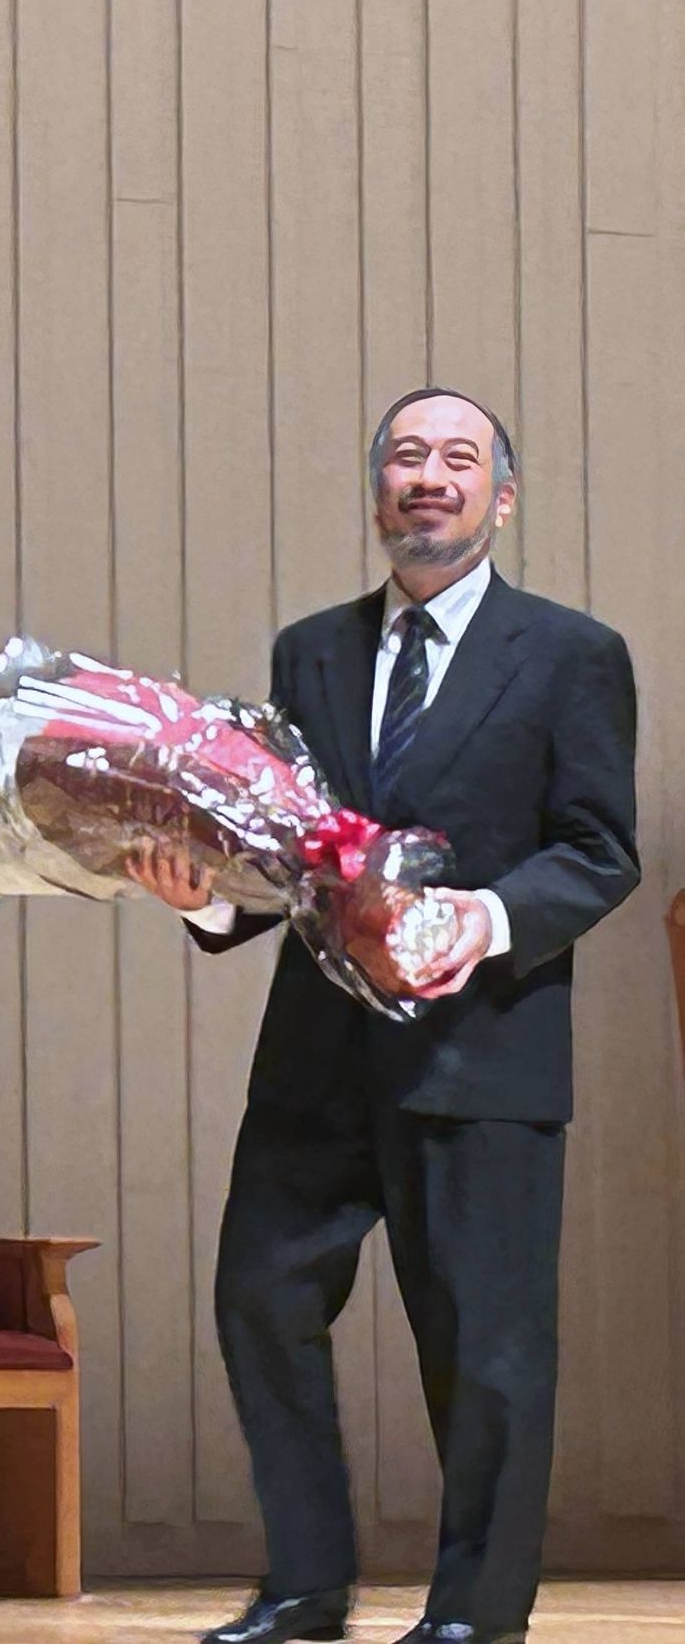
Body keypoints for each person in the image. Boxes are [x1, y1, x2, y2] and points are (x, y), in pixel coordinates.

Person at [130, 389, 638, 1644]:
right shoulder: (310, 651)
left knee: (486, 1351)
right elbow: (296, 852)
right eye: (407, 457)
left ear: (501, 499)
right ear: (377, 498)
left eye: (459, 458)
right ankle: (306, 1587)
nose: (430, 476)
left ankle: (475, 1616)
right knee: (260, 1297)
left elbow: (599, 851)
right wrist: (208, 901)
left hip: (485, 1053)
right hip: (318, 1053)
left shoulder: (572, 655)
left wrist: (487, 918)